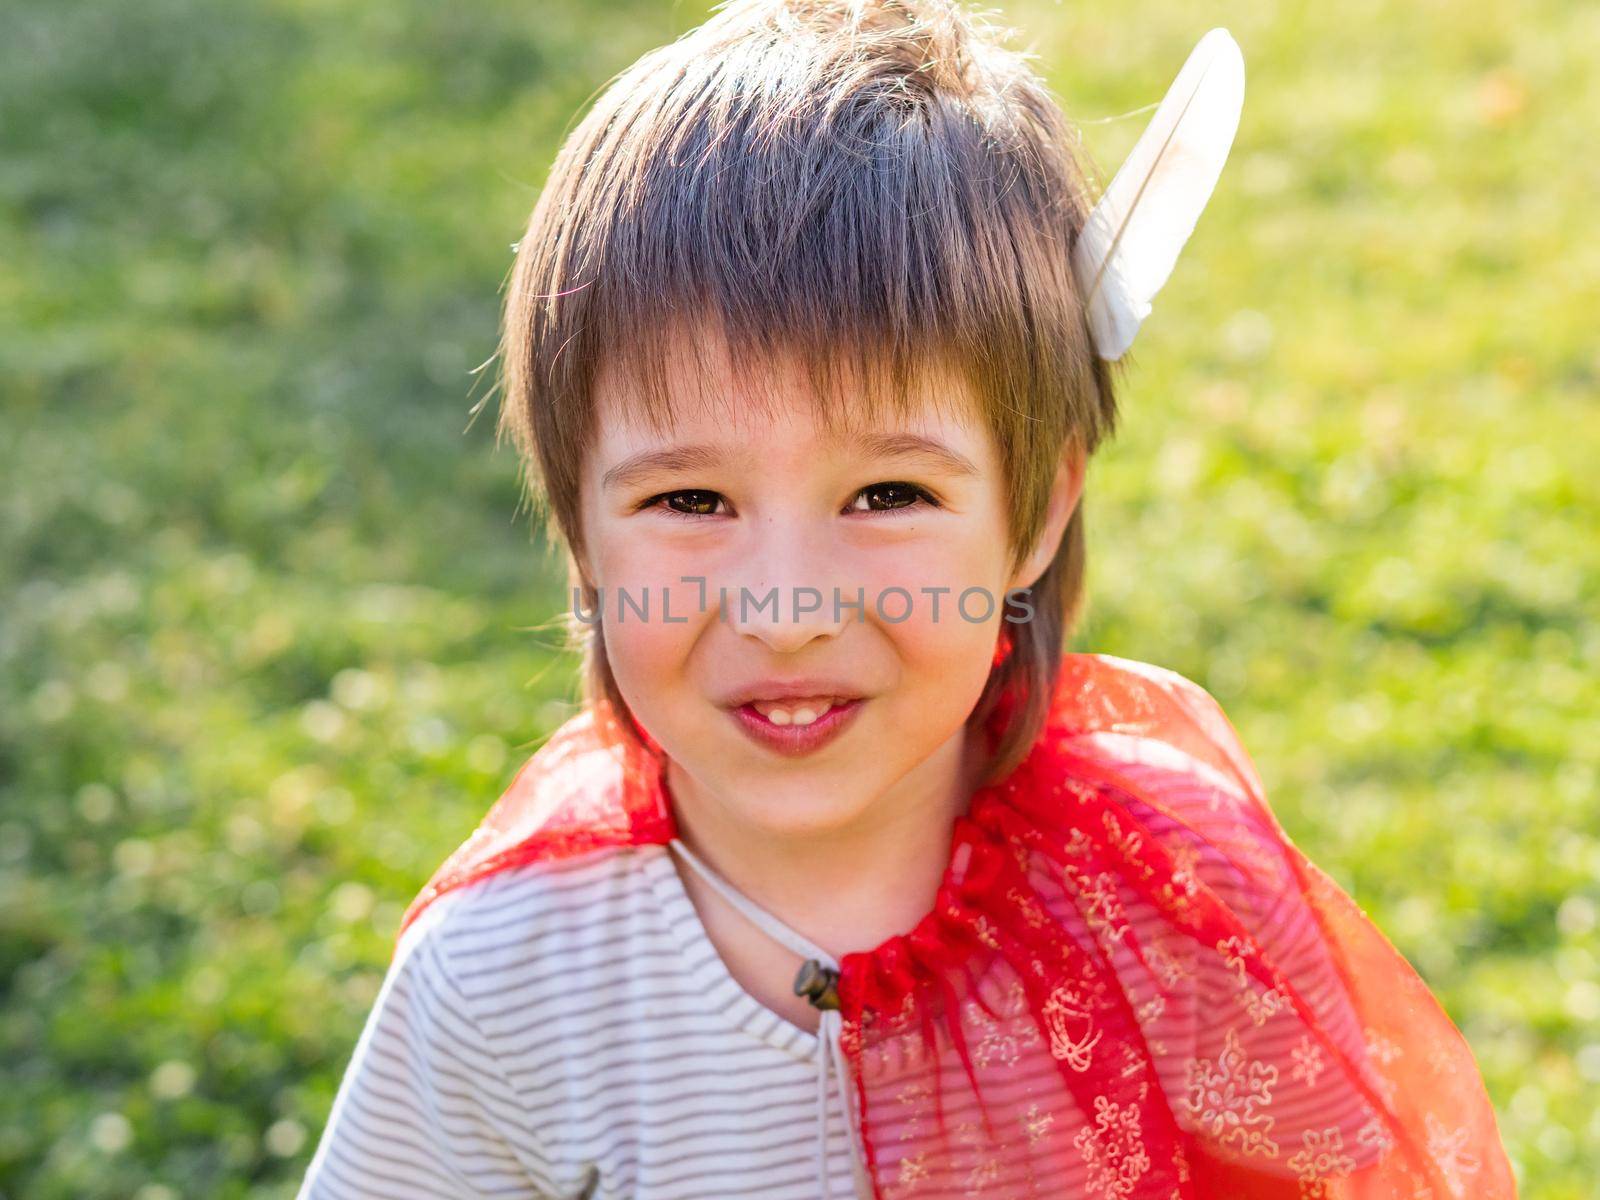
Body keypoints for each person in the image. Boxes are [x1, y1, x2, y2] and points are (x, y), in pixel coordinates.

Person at [296, 2, 1517, 1197]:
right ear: (578, 527)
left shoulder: (1177, 907)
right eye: (690, 503)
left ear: (1034, 512)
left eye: (885, 493)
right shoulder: (504, 977)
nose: (785, 608)